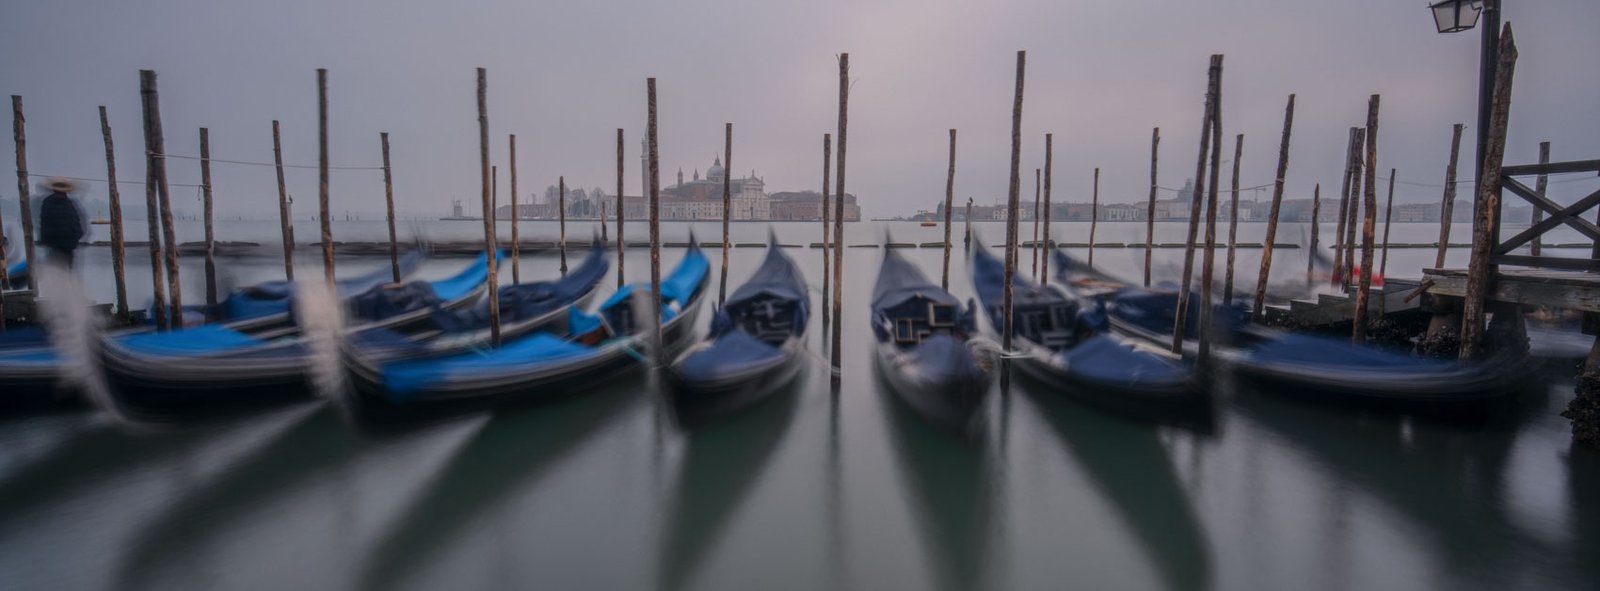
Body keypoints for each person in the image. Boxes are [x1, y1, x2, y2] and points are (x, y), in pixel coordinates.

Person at [37, 177, 86, 269]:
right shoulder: (69, 203)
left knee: (57, 272)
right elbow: (77, 224)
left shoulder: (48, 202)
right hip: (66, 247)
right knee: (65, 273)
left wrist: (45, 240)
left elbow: (44, 225)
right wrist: (76, 238)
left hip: (56, 247)